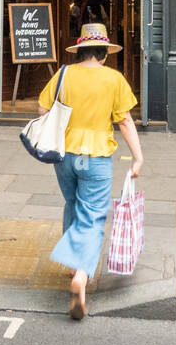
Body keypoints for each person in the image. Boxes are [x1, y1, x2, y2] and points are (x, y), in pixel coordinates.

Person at [37, 22, 143, 321]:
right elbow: (124, 121)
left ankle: (73, 263)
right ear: (104, 53)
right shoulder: (114, 78)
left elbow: (43, 110)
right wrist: (137, 157)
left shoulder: (64, 74)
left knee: (72, 204)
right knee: (92, 215)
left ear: (81, 50)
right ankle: (81, 276)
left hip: (64, 155)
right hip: (95, 157)